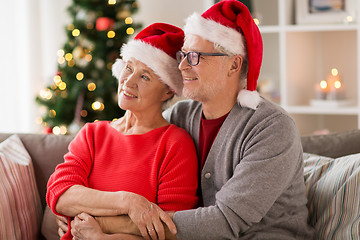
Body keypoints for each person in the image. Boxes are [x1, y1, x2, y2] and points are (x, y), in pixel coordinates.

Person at [60, 1, 316, 239]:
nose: (182, 67)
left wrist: (102, 223)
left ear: (234, 65)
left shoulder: (271, 128)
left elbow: (225, 222)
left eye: (195, 57)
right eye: (183, 55)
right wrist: (68, 210)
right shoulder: (181, 116)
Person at [46, 23, 199, 240]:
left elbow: (169, 230)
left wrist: (99, 234)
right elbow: (60, 193)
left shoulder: (175, 144)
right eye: (128, 68)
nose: (129, 81)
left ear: (167, 91)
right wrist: (129, 202)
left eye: (145, 76)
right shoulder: (93, 134)